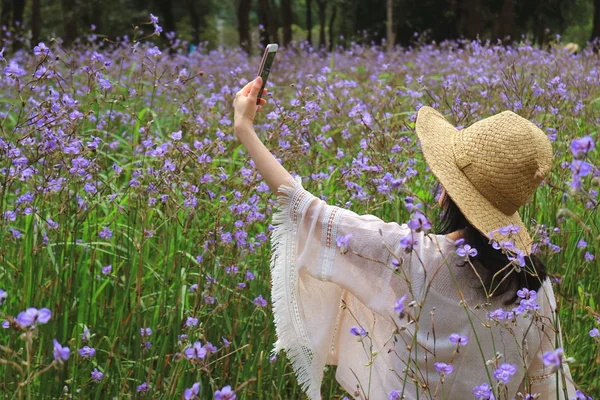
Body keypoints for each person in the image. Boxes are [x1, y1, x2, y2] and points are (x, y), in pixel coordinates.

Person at [233, 77, 579, 399]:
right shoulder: (533, 286)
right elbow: (548, 384)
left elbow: (307, 209)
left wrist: (244, 128)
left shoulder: (411, 257)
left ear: (448, 193)